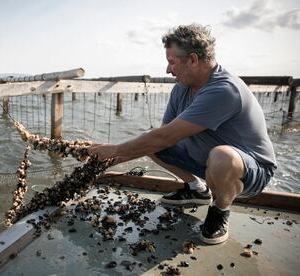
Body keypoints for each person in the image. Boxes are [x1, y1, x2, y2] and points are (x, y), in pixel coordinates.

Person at [88, 24, 277, 245]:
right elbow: (161, 137)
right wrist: (115, 157)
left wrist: (116, 149)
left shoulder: (224, 89)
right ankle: (197, 189)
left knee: (221, 156)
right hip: (206, 163)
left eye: (172, 62)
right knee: (151, 140)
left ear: (193, 60)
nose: (168, 70)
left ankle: (220, 209)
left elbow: (164, 138)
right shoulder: (182, 88)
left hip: (251, 171)